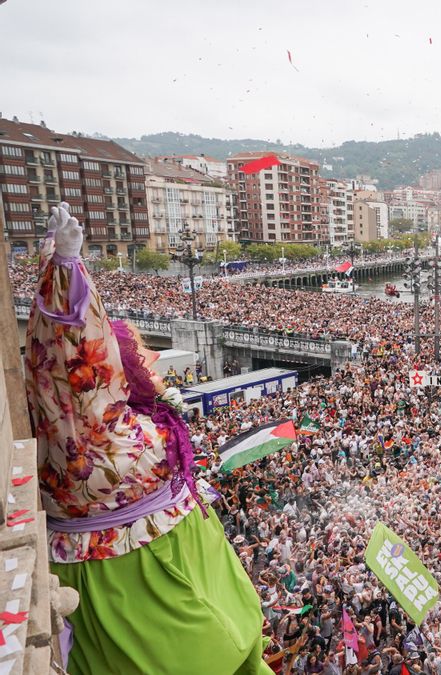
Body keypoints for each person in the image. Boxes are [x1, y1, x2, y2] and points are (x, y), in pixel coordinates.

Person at [26, 203, 271, 674]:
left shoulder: (81, 427)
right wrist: (64, 273)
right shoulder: (98, 434)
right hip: (151, 590)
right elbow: (66, 354)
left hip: (141, 584)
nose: (149, 363)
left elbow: (55, 361)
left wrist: (61, 268)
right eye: (135, 353)